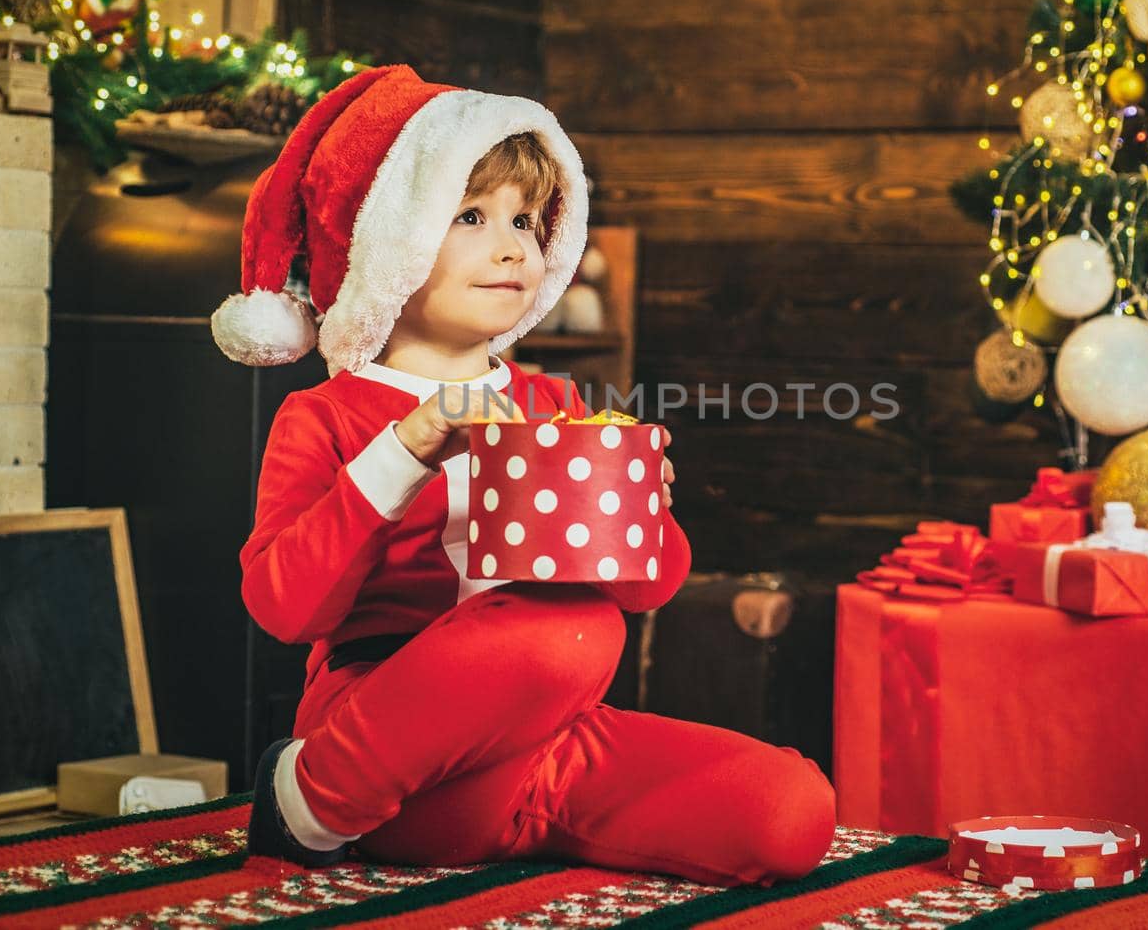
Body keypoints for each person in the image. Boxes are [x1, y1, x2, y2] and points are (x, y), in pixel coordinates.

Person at [211, 65, 836, 887]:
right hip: (388, 746)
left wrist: (640, 507)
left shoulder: (554, 401)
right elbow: (284, 608)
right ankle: (305, 800)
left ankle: (513, 817)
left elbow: (649, 590)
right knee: (565, 628)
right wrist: (410, 447)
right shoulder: (326, 415)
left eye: (527, 220)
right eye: (471, 215)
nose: (514, 247)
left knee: (794, 809)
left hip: (547, 745)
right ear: (387, 238)